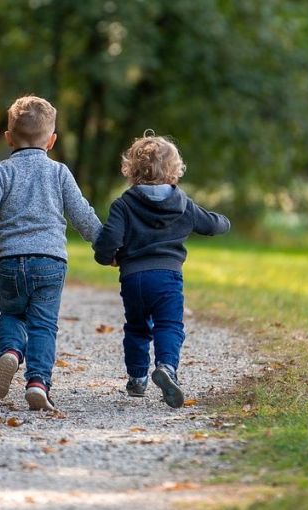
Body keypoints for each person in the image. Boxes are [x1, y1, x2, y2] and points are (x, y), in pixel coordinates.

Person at [0, 95, 102, 411]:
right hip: (50, 262)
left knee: (12, 313)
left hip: (10, 261)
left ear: (8, 138)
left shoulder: (1, 172)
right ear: (52, 140)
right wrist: (105, 244)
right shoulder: (59, 172)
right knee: (43, 325)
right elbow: (81, 213)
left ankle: (10, 352)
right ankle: (38, 383)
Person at [92, 132, 231, 408]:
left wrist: (107, 257)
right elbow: (212, 225)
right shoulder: (182, 205)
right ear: (174, 171)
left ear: (131, 170)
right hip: (168, 278)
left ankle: (137, 378)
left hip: (133, 279)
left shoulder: (124, 204)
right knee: (169, 325)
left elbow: (109, 241)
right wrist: (225, 222)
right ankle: (167, 367)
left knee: (136, 327)